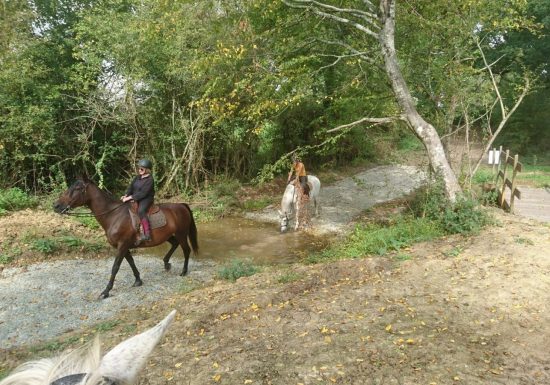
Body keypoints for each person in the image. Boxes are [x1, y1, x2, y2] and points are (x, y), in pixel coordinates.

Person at [121, 158, 155, 243]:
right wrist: (126, 195)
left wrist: (130, 198)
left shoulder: (150, 180)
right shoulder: (137, 177)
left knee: (141, 211)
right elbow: (131, 187)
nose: (139, 170)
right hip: (135, 197)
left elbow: (143, 193)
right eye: (139, 168)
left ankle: (147, 234)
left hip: (146, 199)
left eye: (142, 169)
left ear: (147, 170)